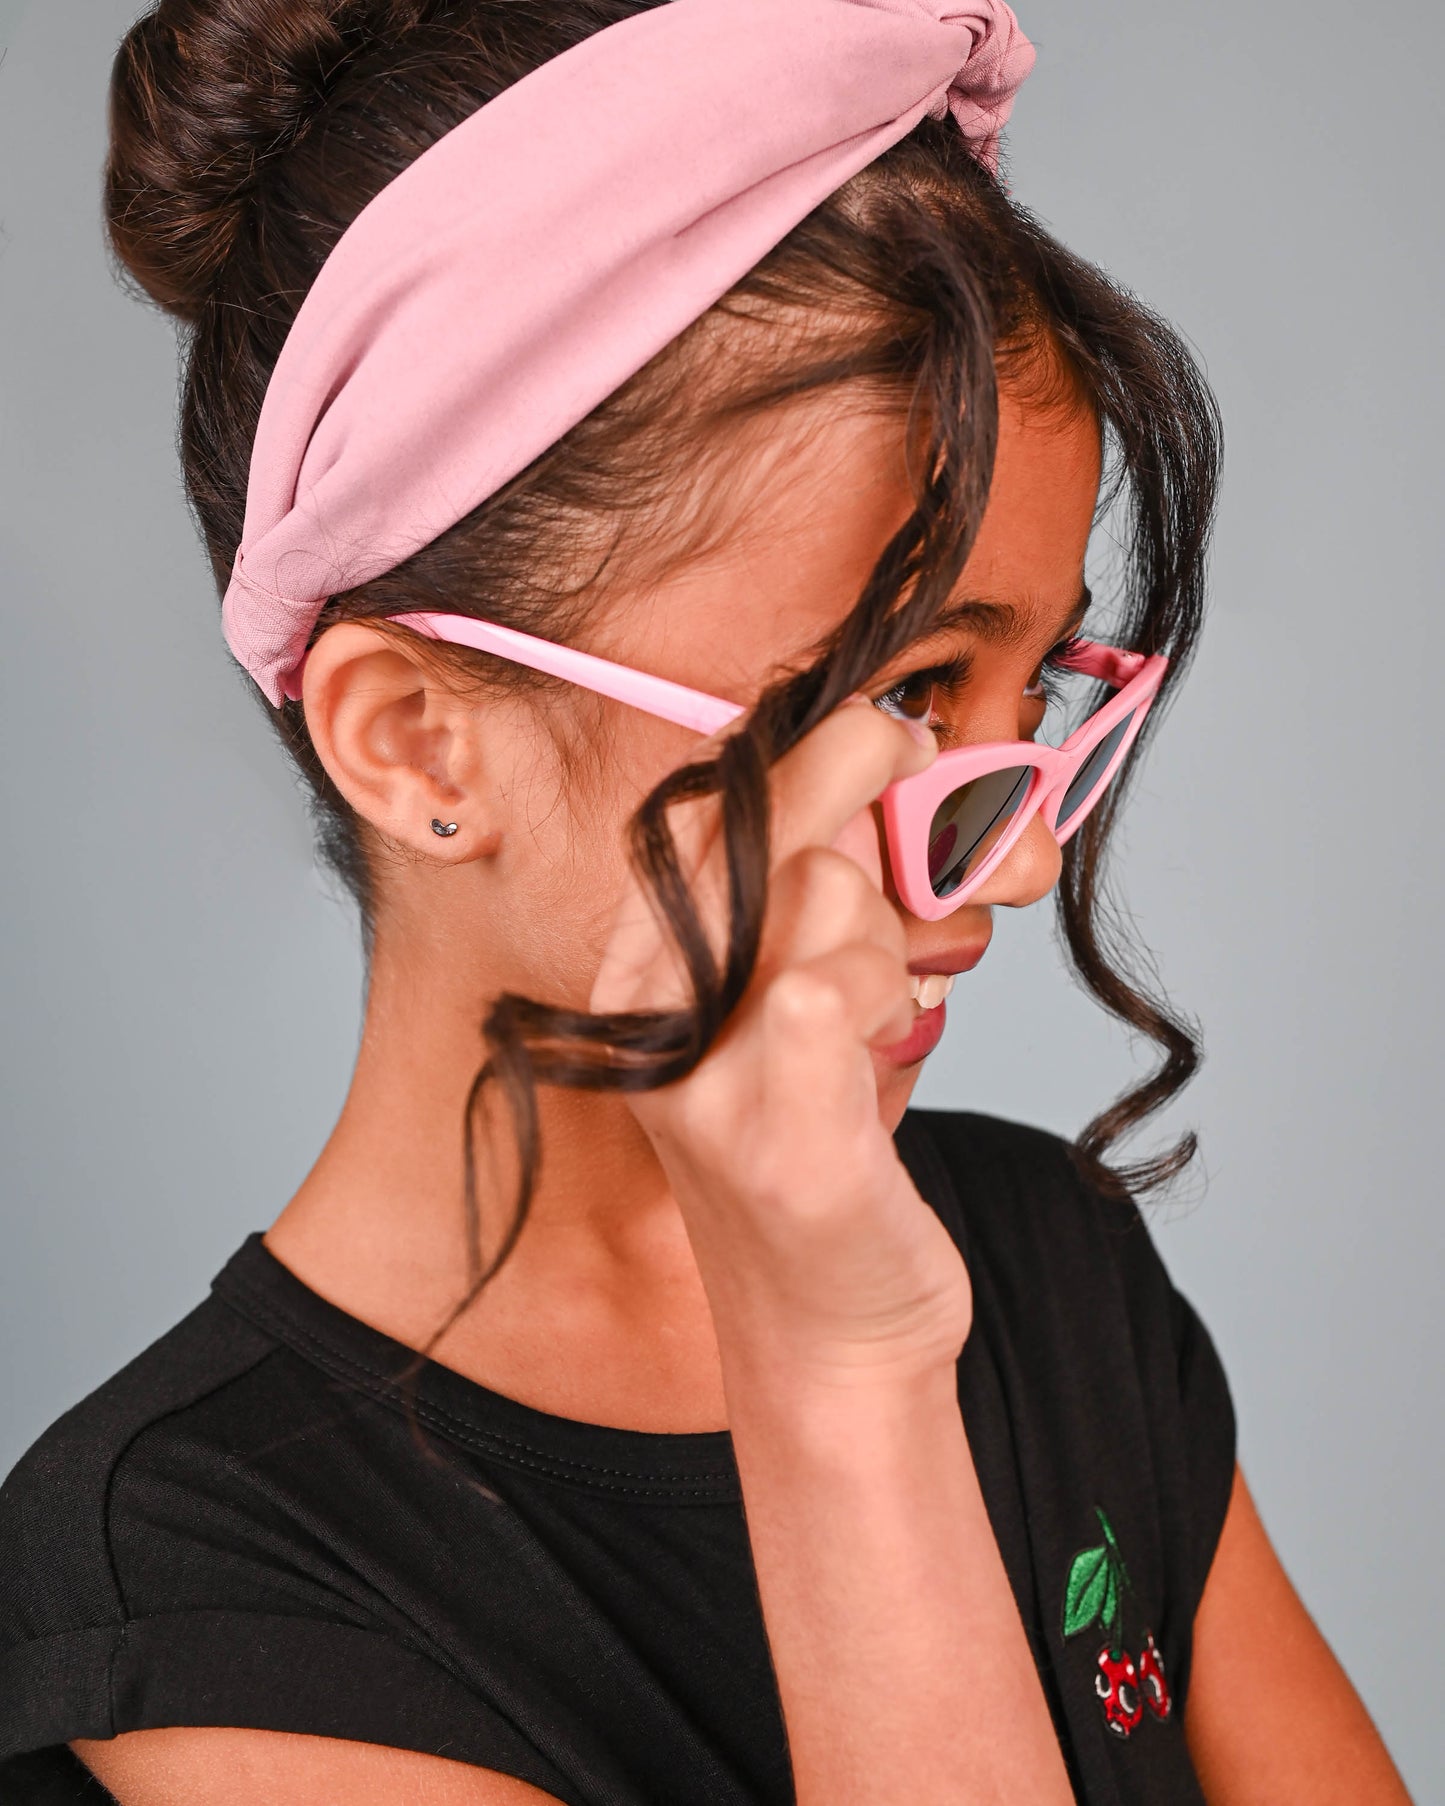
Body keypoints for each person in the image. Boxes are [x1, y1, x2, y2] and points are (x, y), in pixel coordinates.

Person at [0, 1, 1415, 1802]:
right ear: (422, 739)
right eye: (905, 691)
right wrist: (838, 1371)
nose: (1027, 850)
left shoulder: (1041, 1257)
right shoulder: (191, 1583)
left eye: (1036, 690)